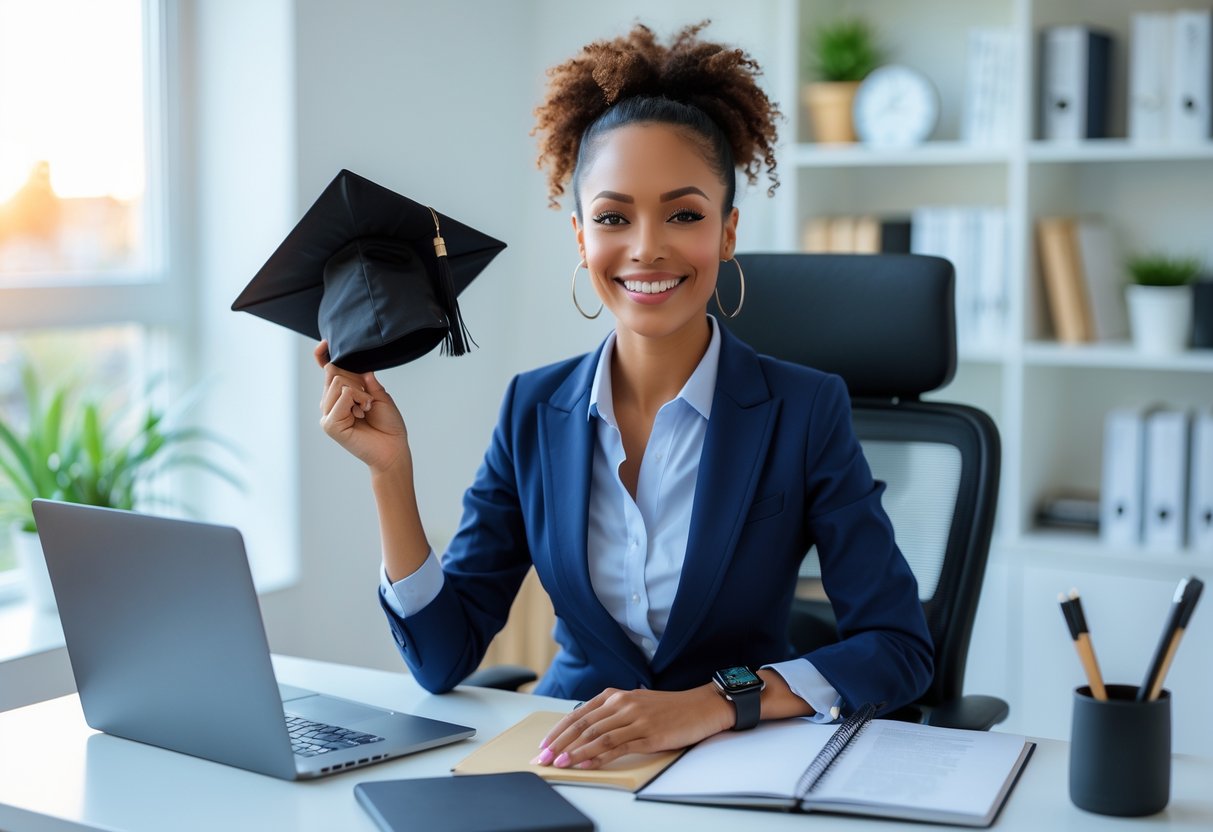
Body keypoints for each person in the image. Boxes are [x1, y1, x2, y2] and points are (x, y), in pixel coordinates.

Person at [315, 21, 932, 773]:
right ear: (580, 238)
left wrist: (714, 700)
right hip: (565, 754)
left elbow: (896, 648)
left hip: (735, 765)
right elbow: (441, 659)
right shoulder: (532, 409)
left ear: (727, 232)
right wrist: (390, 474)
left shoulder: (804, 410)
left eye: (683, 214)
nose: (645, 246)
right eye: (613, 217)